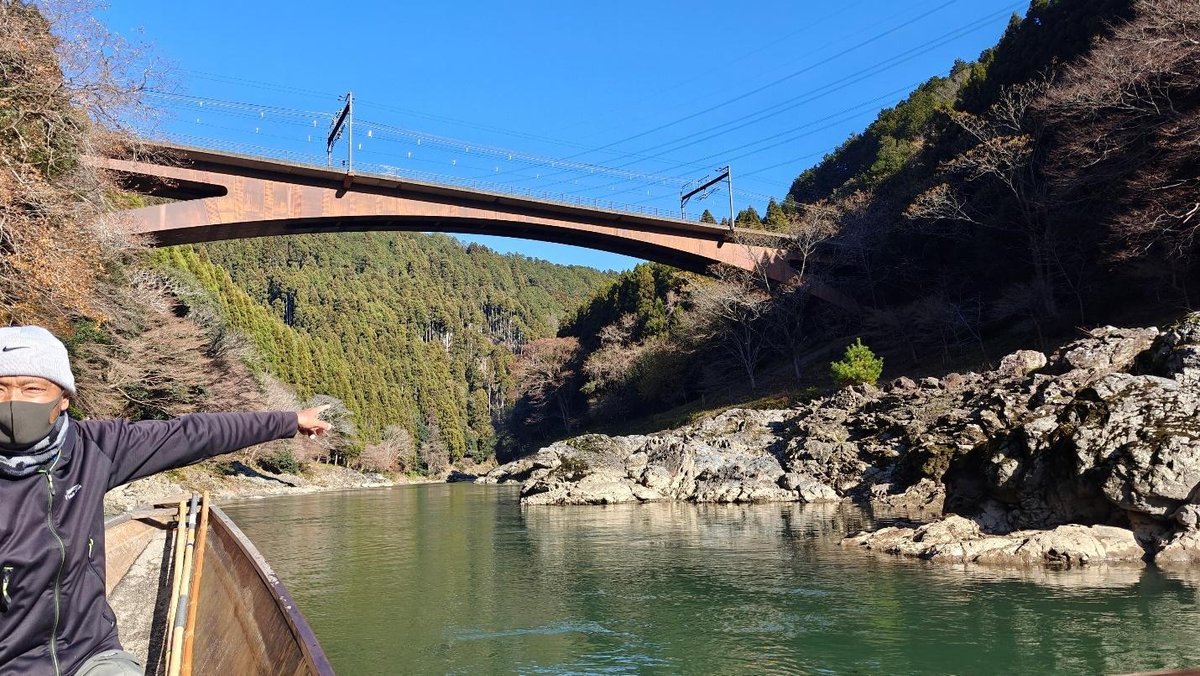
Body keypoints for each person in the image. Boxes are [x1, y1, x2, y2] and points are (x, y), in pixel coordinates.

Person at [0, 326, 332, 676]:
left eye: (32, 388)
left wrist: (289, 421)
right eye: (1, 388)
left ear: (63, 397)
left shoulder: (93, 448)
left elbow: (194, 434)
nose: (12, 402)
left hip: (90, 655)